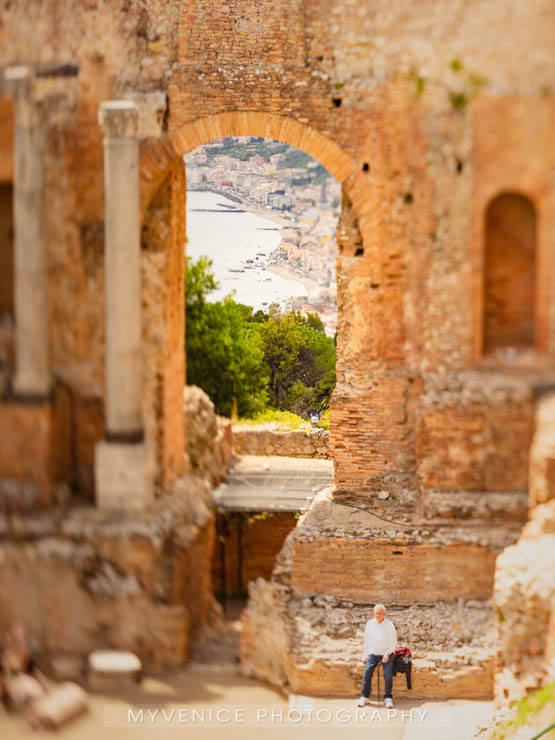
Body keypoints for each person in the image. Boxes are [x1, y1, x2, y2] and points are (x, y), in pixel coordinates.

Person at [357, 603, 397, 708]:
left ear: (384, 613)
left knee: (388, 673)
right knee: (367, 672)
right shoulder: (369, 624)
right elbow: (367, 641)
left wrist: (388, 654)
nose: (377, 615)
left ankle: (388, 698)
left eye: (379, 613)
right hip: (373, 652)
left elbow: (393, 643)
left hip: (386, 653)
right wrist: (364, 654)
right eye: (375, 613)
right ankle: (365, 697)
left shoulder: (390, 625)